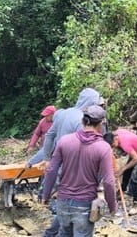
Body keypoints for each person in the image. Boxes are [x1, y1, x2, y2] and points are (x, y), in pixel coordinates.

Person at [27, 88, 100, 237]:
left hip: (59, 166)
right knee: (76, 208)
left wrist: (47, 159)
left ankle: (50, 234)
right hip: (74, 170)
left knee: (67, 205)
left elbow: (49, 136)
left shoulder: (63, 113)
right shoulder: (83, 121)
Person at [42, 105, 117, 237]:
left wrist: (45, 195)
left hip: (63, 201)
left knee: (64, 233)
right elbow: (109, 181)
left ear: (82, 121)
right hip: (84, 203)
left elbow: (51, 170)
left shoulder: (64, 141)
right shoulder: (103, 148)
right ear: (101, 124)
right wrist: (112, 206)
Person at [112, 128, 137, 205]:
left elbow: (136, 159)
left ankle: (136, 202)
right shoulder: (117, 132)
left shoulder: (125, 144)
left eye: (113, 145)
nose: (113, 148)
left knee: (134, 180)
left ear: (115, 139)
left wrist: (122, 169)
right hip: (135, 152)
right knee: (126, 173)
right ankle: (121, 192)